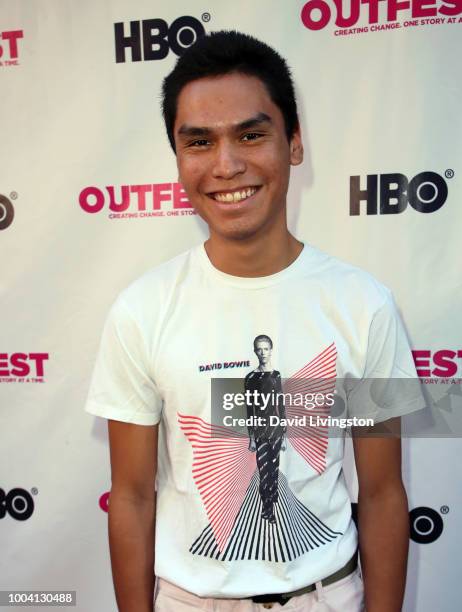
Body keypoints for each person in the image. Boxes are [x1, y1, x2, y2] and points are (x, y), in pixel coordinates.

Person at [85, 30, 425, 611]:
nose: (227, 164)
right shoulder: (141, 310)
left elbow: (384, 492)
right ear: (178, 157)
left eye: (250, 134)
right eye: (199, 142)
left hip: (327, 597)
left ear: (294, 143)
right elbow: (134, 497)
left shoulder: (365, 303)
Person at [245, 335, 287, 524]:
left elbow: (281, 405)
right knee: (264, 471)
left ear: (271, 350)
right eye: (259, 349)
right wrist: (251, 438)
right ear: (255, 351)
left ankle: (273, 495)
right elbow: (249, 409)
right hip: (260, 433)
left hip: (276, 431)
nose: (262, 353)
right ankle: (267, 508)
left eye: (266, 349)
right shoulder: (251, 378)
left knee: (274, 470)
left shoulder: (276, 376)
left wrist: (284, 434)